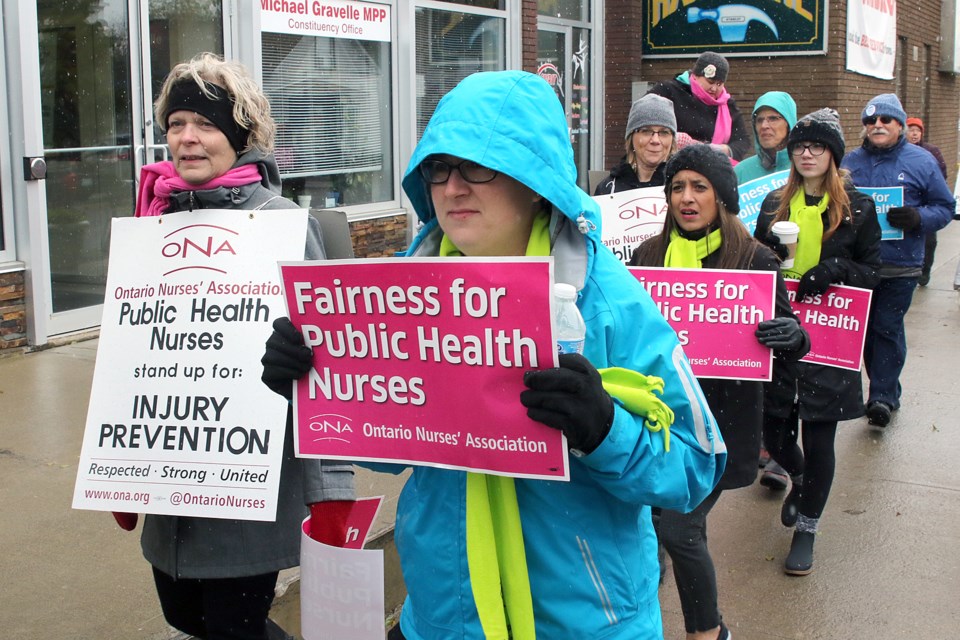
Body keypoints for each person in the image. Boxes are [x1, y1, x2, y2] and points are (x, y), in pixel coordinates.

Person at [262, 70, 726, 639]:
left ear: (535, 179)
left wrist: (605, 429)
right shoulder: (399, 295)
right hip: (442, 615)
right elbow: (394, 453)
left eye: (478, 166)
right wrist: (315, 383)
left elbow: (697, 465)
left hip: (585, 622)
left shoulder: (607, 301)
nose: (453, 187)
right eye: (439, 168)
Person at [127, 53, 356, 640]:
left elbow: (325, 363)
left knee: (235, 628)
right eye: (176, 123)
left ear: (240, 136)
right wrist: (119, 465)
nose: (187, 138)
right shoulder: (152, 221)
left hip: (248, 485)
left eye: (204, 124)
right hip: (168, 478)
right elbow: (134, 355)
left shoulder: (279, 221)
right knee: (183, 617)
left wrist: (331, 492)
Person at [631, 145, 809, 637]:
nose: (686, 198)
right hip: (657, 418)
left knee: (679, 530)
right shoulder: (647, 256)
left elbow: (791, 335)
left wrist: (793, 337)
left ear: (722, 197)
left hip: (719, 423)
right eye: (677, 188)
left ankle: (708, 630)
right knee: (648, 529)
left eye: (699, 187)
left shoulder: (754, 259)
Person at [756, 108, 882, 574]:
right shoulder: (774, 203)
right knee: (773, 430)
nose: (807, 153)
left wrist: (836, 269)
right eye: (800, 147)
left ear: (832, 155)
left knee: (821, 434)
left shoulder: (858, 207)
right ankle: (800, 475)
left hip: (830, 340)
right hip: (781, 333)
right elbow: (751, 264)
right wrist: (768, 254)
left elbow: (873, 274)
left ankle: (808, 525)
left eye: (818, 147)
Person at [841, 94, 955, 428]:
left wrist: (918, 218)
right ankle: (887, 387)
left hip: (900, 264)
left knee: (886, 328)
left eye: (885, 121)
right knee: (863, 333)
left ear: (900, 125)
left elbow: (945, 207)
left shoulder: (921, 162)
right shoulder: (850, 162)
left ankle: (881, 397)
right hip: (859, 265)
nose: (877, 126)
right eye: (871, 121)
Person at [733, 90, 799, 490]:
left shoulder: (804, 165)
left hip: (794, 277)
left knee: (788, 366)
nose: (766, 126)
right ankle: (759, 438)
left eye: (775, 119)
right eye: (760, 119)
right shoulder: (742, 170)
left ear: (789, 125)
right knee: (755, 356)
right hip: (751, 272)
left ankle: (781, 452)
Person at [648, 51, 751, 162]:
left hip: (711, 168)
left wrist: (721, 150)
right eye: (710, 82)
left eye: (719, 84)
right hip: (669, 163)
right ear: (696, 76)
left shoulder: (727, 105)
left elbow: (743, 141)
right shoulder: (669, 91)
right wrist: (670, 137)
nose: (714, 88)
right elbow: (644, 118)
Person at [594, 93, 676, 194]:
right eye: (646, 131)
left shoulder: (681, 187)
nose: (655, 140)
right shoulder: (608, 189)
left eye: (664, 132)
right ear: (631, 137)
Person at [905, 117, 948, 286]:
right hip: (906, 206)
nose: (914, 134)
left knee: (929, 241)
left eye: (918, 130)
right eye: (911, 129)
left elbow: (941, 176)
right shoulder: (898, 154)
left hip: (926, 205)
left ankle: (925, 270)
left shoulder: (931, 152)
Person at [734, 91, 798, 184]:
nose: (764, 126)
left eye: (773, 119)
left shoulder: (806, 168)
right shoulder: (741, 172)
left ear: (789, 123)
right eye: (759, 120)